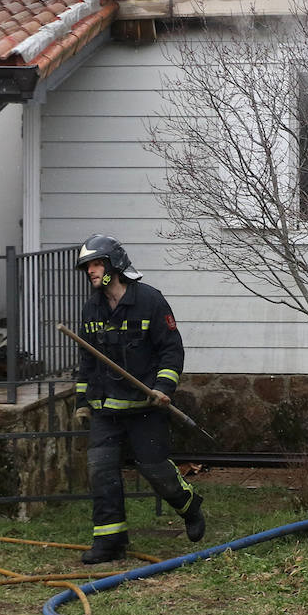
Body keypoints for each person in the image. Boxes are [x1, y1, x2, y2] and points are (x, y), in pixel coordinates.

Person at [73, 233, 205, 564]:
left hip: (146, 408)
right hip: (106, 410)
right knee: (101, 473)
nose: (90, 271)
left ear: (113, 265)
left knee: (156, 471)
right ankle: (109, 541)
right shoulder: (92, 309)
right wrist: (81, 402)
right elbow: (87, 361)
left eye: (95, 264)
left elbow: (171, 350)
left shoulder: (150, 301)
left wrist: (163, 387)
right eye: (87, 267)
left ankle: (189, 506)